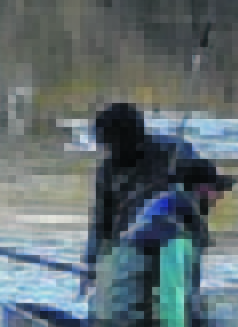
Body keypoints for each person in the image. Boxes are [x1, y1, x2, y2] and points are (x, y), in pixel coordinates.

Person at [92, 156, 236, 327]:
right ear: (200, 189)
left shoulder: (152, 213)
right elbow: (174, 293)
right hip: (132, 323)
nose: (219, 198)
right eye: (216, 190)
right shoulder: (176, 229)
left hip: (105, 319)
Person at [83, 101, 203, 281]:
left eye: (108, 143)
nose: (105, 150)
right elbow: (101, 222)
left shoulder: (174, 152)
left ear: (128, 140)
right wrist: (91, 264)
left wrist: (180, 180)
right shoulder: (107, 171)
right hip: (129, 250)